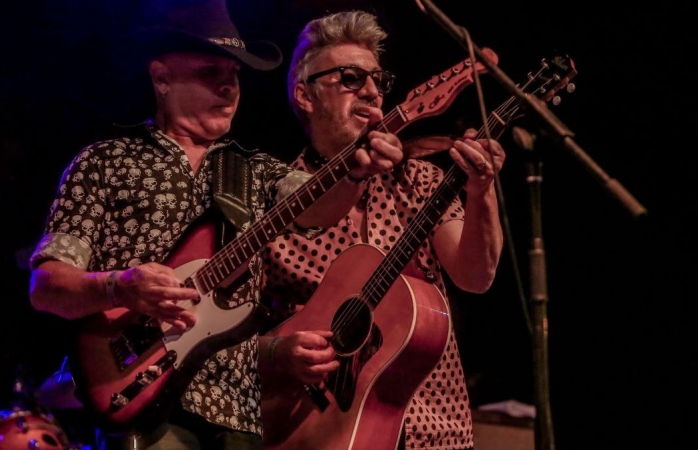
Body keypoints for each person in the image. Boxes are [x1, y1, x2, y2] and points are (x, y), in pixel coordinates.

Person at [26, 1, 403, 449]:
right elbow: (46, 286)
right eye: (211, 72)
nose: (229, 87)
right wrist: (119, 287)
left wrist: (356, 171)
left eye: (235, 75)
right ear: (162, 77)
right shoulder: (104, 162)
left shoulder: (257, 170)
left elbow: (317, 208)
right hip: (138, 396)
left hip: (235, 408)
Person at [258, 10, 506, 450]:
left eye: (378, 80)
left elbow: (475, 277)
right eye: (351, 78)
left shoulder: (421, 180)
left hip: (436, 429)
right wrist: (279, 353)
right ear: (305, 95)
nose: (372, 92)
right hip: (318, 433)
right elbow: (229, 336)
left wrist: (481, 190)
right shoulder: (274, 199)